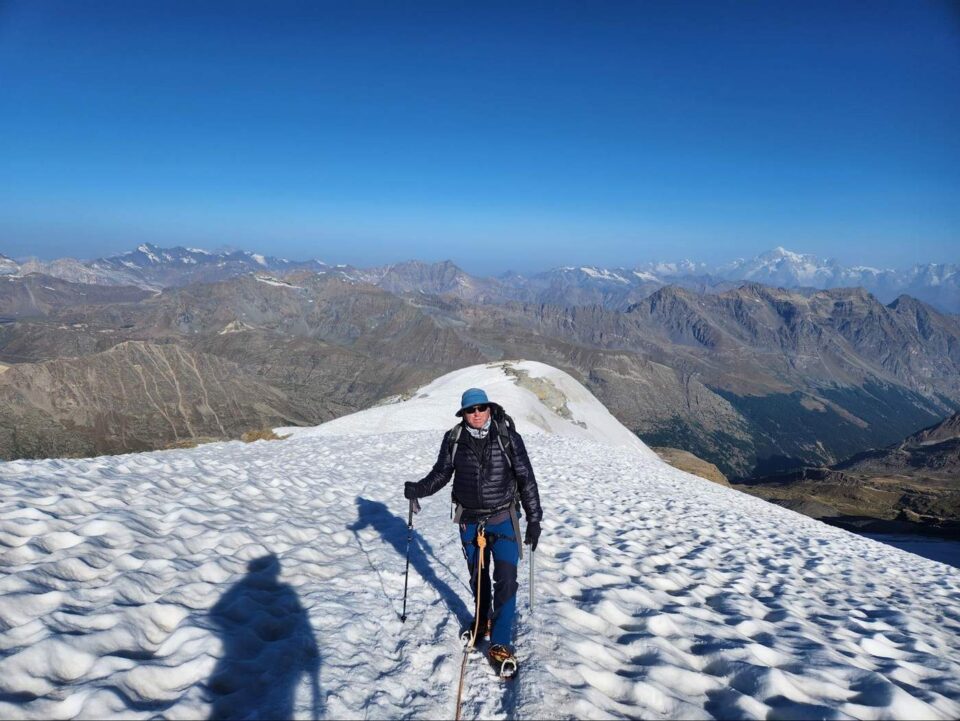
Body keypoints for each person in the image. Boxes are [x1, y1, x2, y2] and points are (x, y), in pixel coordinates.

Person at [404, 387, 542, 675]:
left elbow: (525, 478)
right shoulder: (454, 439)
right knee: (478, 578)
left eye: (481, 408)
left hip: (504, 519)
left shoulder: (507, 437)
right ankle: (481, 621)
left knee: (506, 578)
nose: (476, 414)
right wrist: (418, 488)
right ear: (463, 413)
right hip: (469, 521)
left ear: (489, 408)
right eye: (471, 410)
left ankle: (500, 641)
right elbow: (442, 473)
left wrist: (534, 519)